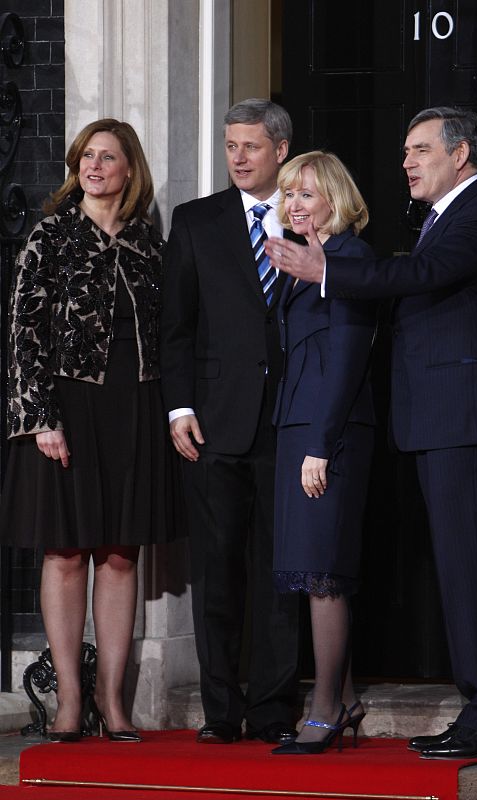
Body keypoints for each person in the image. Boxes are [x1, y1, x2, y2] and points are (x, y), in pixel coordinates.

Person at [265, 107, 477, 759]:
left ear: (460, 153)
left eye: (419, 149)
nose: (406, 161)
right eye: (404, 150)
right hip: (442, 421)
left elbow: (416, 277)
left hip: (465, 418)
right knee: (461, 570)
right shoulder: (444, 218)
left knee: (472, 570)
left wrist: (324, 271)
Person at [0, 119, 184, 742]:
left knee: (120, 553)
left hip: (134, 408)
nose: (95, 166)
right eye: (86, 157)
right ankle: (71, 703)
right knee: (65, 551)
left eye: (108, 158)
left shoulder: (148, 243)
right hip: (66, 412)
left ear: (130, 170)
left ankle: (114, 701)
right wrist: (39, 417)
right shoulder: (50, 236)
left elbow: (169, 333)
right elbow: (22, 332)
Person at [160, 98, 299, 745]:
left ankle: (273, 709)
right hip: (212, 426)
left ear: (279, 149)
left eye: (249, 146)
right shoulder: (195, 222)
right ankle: (221, 714)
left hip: (290, 426)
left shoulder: (308, 213)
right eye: (229, 146)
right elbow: (176, 329)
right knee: (217, 573)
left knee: (281, 573)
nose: (237, 157)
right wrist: (179, 407)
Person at [267, 152, 378, 756]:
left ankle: (326, 710)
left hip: (326, 435)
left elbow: (346, 361)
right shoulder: (301, 264)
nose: (294, 205)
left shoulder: (352, 259)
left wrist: (320, 446)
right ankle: (348, 699)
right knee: (317, 567)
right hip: (298, 428)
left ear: (336, 196)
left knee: (324, 575)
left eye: (306, 194)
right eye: (289, 196)